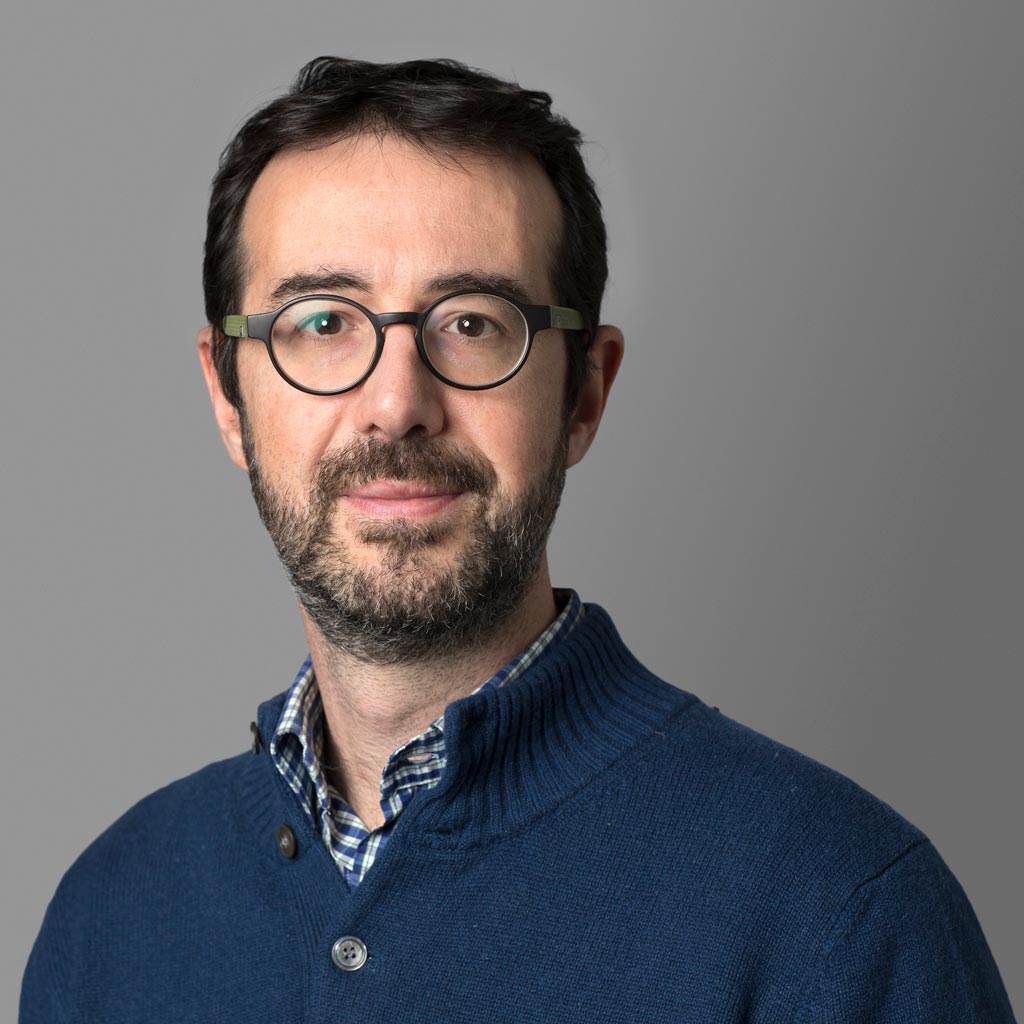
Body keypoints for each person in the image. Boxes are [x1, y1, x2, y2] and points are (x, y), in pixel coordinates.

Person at [21, 56, 1016, 1023]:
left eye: (472, 324)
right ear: (228, 395)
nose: (397, 404)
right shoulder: (108, 921)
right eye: (321, 322)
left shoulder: (838, 910)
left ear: (584, 393)